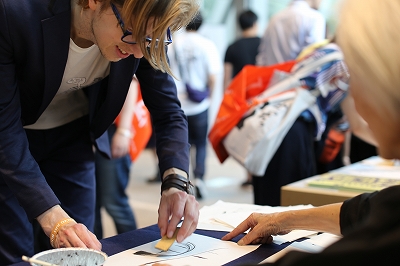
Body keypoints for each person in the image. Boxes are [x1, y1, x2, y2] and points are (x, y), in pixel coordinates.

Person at [0, 0, 200, 264]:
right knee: (15, 250)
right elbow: (5, 129)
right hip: (11, 140)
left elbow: (169, 112)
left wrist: (176, 182)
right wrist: (52, 217)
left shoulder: (142, 35)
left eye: (150, 40)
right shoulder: (13, 13)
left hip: (73, 136)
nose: (139, 53)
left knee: (83, 250)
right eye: (131, 33)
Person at [222, 0, 400, 264]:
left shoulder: (283, 23)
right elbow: (371, 207)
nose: (355, 97)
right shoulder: (323, 35)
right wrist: (284, 218)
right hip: (294, 132)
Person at [171, 12, 223, 199]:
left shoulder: (174, 43)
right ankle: (199, 179)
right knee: (200, 144)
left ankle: (183, 183)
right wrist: (209, 96)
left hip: (177, 103)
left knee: (180, 144)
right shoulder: (207, 44)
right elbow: (213, 76)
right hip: (199, 105)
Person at [94, 78, 139, 239]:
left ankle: (133, 247)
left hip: (112, 130)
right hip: (88, 131)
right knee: (91, 203)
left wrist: (124, 130)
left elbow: (131, 82)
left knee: (114, 201)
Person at [256, 0, 326, 67]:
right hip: (298, 77)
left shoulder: (275, 18)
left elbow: (262, 58)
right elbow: (314, 60)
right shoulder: (314, 18)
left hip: (271, 77)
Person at [224, 10, 261, 90]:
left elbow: (227, 79)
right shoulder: (263, 44)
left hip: (239, 92)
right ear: (255, 24)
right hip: (259, 90)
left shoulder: (232, 47)